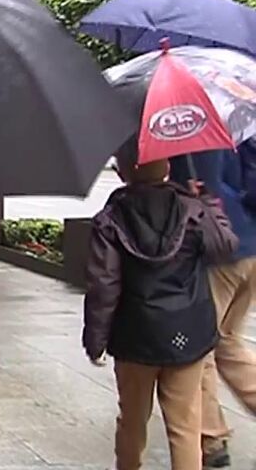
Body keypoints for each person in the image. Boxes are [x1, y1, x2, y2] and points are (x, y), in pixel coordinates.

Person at [86, 149, 236, 470]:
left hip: (134, 338)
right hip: (187, 334)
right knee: (185, 425)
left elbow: (103, 286)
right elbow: (224, 247)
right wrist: (209, 204)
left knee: (132, 421)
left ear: (123, 172)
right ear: (167, 166)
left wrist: (95, 340)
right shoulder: (192, 209)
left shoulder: (109, 220)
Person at [170, 145, 256, 468]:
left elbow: (188, 190)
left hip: (218, 253)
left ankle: (211, 439)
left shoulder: (187, 131)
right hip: (250, 247)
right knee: (228, 342)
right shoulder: (237, 113)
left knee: (201, 346)